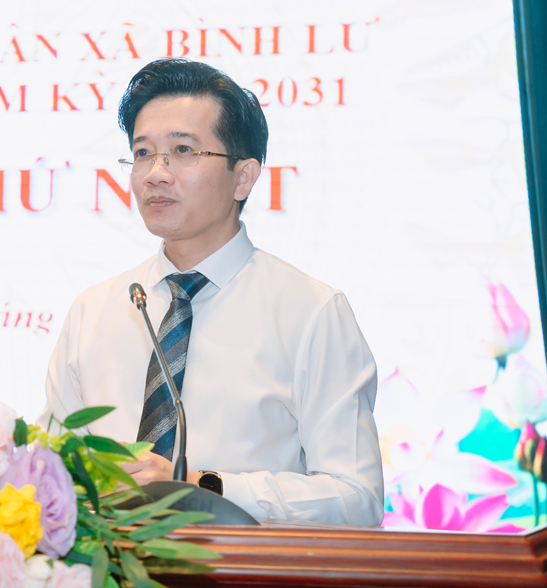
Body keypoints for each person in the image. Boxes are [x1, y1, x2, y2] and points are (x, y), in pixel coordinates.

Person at [38, 58, 384, 525]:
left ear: (244, 176)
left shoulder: (312, 312)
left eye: (183, 150)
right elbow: (49, 473)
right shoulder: (95, 310)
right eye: (143, 153)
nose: (155, 173)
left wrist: (199, 486)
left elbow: (356, 498)